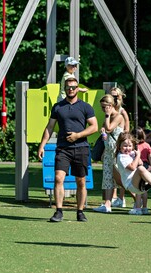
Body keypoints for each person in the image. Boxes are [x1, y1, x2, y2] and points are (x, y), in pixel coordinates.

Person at [38, 77, 98, 222]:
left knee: (81, 181)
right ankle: (58, 211)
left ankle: (80, 211)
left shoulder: (85, 107)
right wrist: (42, 145)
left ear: (78, 88)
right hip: (63, 149)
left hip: (81, 148)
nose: (71, 90)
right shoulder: (58, 107)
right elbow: (50, 127)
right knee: (59, 178)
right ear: (65, 89)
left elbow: (94, 127)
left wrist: (78, 135)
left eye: (73, 87)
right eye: (68, 87)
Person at [93, 94, 124, 213]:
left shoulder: (118, 116)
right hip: (108, 152)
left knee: (121, 179)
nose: (102, 110)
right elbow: (104, 130)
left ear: (110, 106)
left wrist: (107, 116)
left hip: (117, 153)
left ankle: (139, 199)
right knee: (107, 179)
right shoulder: (108, 117)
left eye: (104, 107)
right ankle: (107, 204)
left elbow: (110, 128)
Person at [109, 87, 130, 208]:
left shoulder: (122, 111)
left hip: (119, 145)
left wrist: (123, 144)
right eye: (112, 96)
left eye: (116, 96)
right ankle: (114, 197)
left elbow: (127, 129)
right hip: (111, 145)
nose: (115, 98)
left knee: (120, 172)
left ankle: (122, 198)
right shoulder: (110, 110)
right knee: (113, 173)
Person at [132, 127, 151, 214]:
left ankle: (138, 208)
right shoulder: (147, 145)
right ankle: (145, 207)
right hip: (146, 166)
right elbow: (150, 158)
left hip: (139, 166)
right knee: (144, 189)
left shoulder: (134, 146)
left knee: (138, 188)